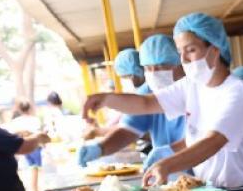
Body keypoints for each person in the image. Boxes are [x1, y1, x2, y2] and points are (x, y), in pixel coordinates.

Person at [83, 14, 243, 191]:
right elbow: (146, 103)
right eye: (180, 51)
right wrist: (106, 99)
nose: (184, 59)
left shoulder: (237, 92)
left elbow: (213, 142)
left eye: (191, 50)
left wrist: (167, 164)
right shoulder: (192, 85)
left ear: (214, 50)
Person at [78, 35, 188, 173]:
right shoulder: (147, 91)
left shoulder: (193, 88)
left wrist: (172, 151)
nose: (154, 73)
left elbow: (207, 136)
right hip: (168, 172)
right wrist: (100, 148)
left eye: (162, 66)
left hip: (201, 169)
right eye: (148, 68)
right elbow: (129, 129)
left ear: (180, 63)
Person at [5, 101, 45, 191]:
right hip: (35, 146)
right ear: (30, 108)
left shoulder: (16, 122)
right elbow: (39, 134)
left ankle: (34, 190)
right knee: (37, 168)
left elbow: (13, 134)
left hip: (23, 146)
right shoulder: (34, 119)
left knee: (31, 168)